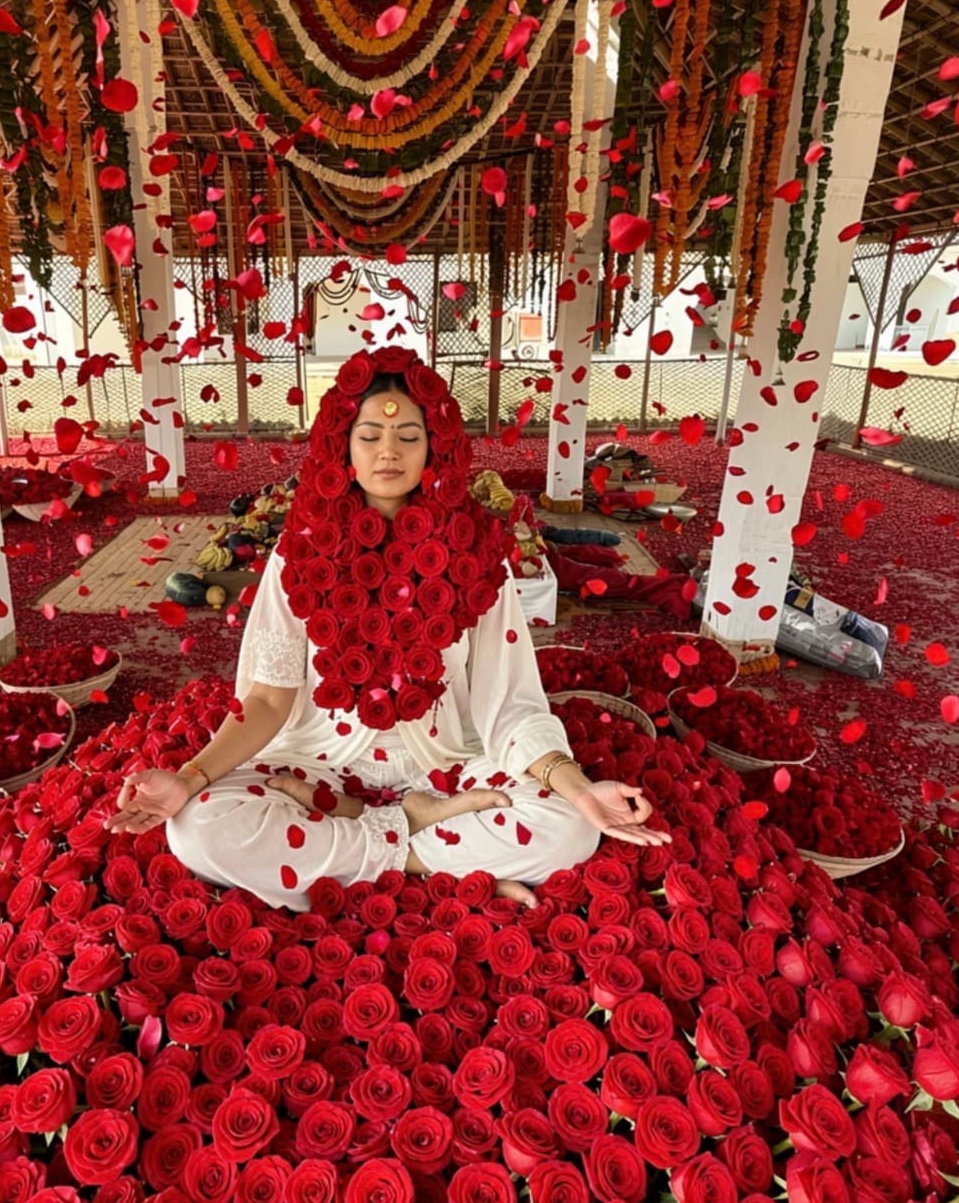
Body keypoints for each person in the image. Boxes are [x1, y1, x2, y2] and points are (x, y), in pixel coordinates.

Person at [110, 346, 669, 909]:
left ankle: (366, 845)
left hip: (446, 764)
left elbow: (510, 705)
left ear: (434, 449)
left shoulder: (478, 552)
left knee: (568, 827)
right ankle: (431, 859)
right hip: (317, 763)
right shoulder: (298, 551)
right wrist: (189, 779)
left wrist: (577, 789)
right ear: (343, 448)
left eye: (408, 437)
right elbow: (267, 701)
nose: (388, 452)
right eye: (370, 435)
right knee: (199, 827)